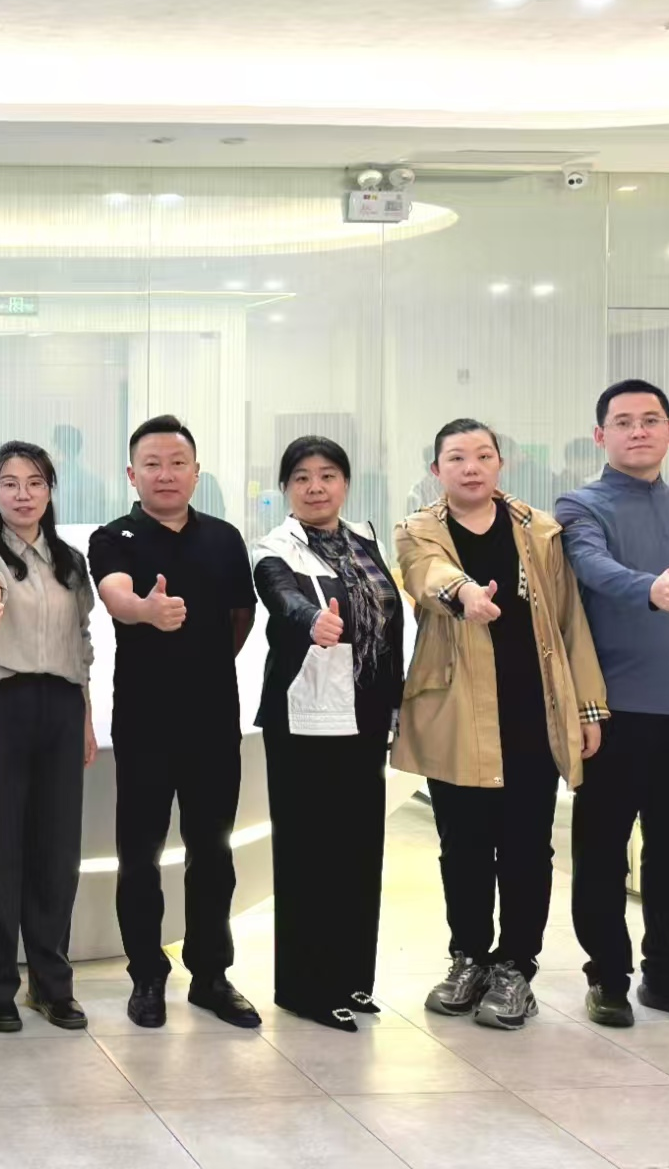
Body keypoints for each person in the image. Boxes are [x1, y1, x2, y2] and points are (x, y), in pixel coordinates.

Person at [393, 419, 608, 1032]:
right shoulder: (418, 530)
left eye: (483, 456)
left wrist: (588, 708)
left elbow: (570, 621)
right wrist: (465, 594)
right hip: (455, 713)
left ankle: (516, 966)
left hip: (532, 713)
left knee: (525, 848)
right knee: (462, 846)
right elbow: (426, 575)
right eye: (456, 458)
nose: (471, 467)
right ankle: (468, 958)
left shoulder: (540, 531)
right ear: (436, 470)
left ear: (500, 464)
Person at [556, 380, 669, 1029]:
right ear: (600, 435)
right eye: (623, 421)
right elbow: (589, 565)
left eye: (651, 419)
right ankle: (608, 977)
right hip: (613, 714)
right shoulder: (579, 505)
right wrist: (648, 590)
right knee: (602, 854)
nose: (638, 430)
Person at [87, 415, 258, 1030]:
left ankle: (211, 975)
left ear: (196, 471)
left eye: (177, 463)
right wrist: (146, 611)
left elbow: (240, 618)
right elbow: (115, 596)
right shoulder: (114, 537)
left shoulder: (225, 538)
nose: (166, 474)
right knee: (141, 855)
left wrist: (199, 665)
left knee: (213, 852)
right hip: (145, 722)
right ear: (132, 474)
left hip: (213, 721)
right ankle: (146, 975)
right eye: (152, 465)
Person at [251, 435, 403, 1031]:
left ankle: (352, 980)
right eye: (302, 478)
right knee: (308, 856)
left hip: (365, 718)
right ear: (286, 488)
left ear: (345, 483)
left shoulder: (366, 541)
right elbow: (282, 597)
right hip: (305, 720)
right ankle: (305, 988)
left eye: (328, 475)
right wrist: (312, 620)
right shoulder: (275, 548)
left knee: (360, 852)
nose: (315, 487)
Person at [0, 441, 97, 1033]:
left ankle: (51, 985)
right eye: (9, 484)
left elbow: (82, 644)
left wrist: (85, 717)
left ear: (49, 491)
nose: (23, 495)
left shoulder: (70, 561)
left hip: (61, 706)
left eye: (34, 483)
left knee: (57, 853)